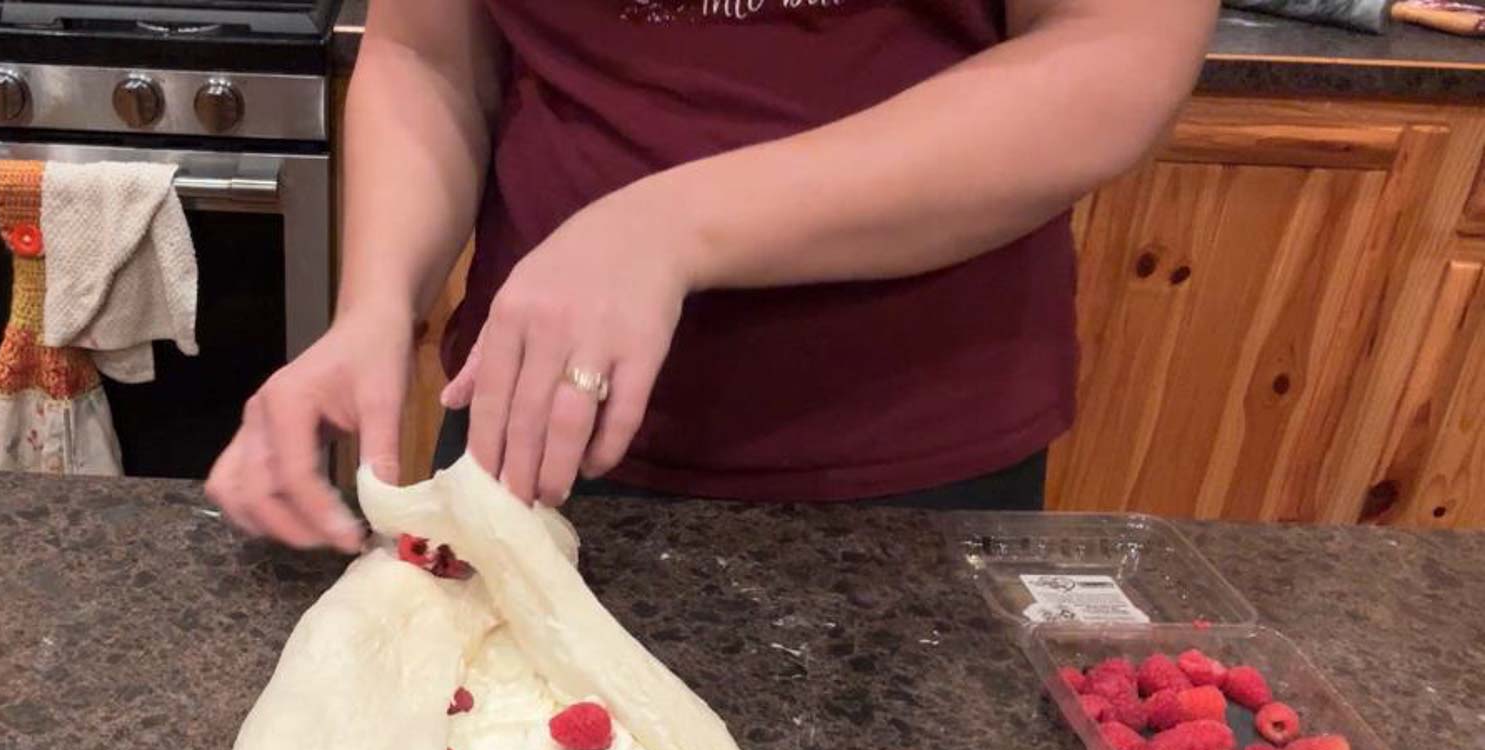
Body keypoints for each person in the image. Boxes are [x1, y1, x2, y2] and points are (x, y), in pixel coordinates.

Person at [206, 0, 1217, 551]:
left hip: (908, 452)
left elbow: (1111, 52)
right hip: (530, 424)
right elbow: (426, 55)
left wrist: (666, 226)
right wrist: (376, 305)